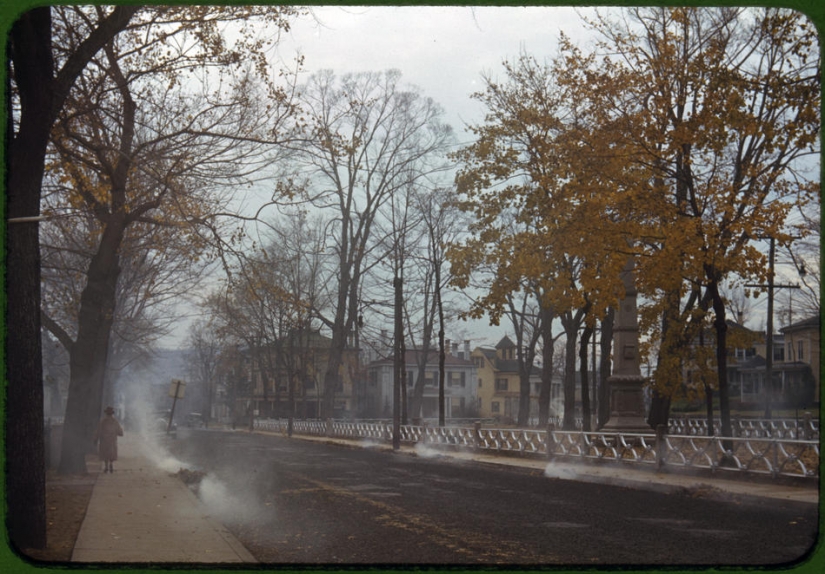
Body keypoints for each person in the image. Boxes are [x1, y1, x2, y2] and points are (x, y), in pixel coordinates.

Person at [94, 406, 124, 473]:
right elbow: (120, 431)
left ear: (106, 413)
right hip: (112, 440)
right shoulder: (114, 421)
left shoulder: (103, 421)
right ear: (112, 413)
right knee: (111, 453)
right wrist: (119, 433)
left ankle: (106, 466)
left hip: (104, 440)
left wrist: (96, 438)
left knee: (105, 453)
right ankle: (111, 464)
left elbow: (99, 430)